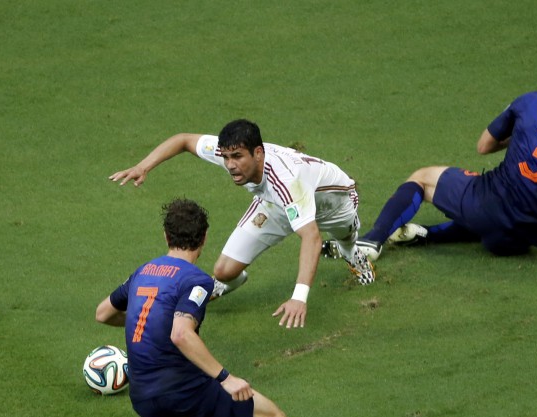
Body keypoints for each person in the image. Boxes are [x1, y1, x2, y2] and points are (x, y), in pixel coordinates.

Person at [94, 198, 348, 417]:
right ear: (204, 239)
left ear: (165, 236)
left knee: (201, 398)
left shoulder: (143, 272)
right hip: (175, 391)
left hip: (142, 398)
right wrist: (226, 376)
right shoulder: (196, 280)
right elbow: (182, 335)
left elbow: (104, 314)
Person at [349, 56, 537, 272]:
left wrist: (519, 138)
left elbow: (483, 146)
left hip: (487, 205)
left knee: (422, 177)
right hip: (522, 238)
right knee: (490, 219)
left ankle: (372, 240)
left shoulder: (530, 102)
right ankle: (426, 235)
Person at [109, 119, 374, 329]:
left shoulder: (286, 178)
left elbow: (311, 238)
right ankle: (229, 283)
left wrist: (298, 297)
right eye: (226, 157)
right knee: (223, 271)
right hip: (275, 206)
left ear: (258, 153)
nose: (230, 165)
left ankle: (352, 255)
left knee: (345, 239)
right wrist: (143, 166)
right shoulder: (230, 153)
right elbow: (184, 140)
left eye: (237, 157)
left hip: (335, 205)